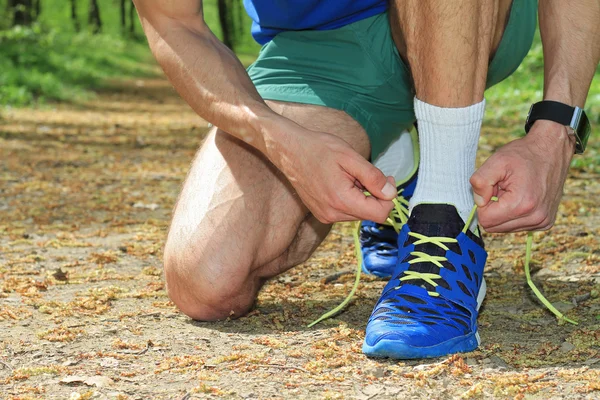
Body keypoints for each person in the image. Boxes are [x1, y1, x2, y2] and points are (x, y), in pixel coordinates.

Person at [133, 0, 599, 359]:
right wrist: (279, 140)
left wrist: (556, 131)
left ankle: (444, 210)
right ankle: (398, 159)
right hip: (317, 51)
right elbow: (173, 22)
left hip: (468, 17)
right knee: (207, 281)